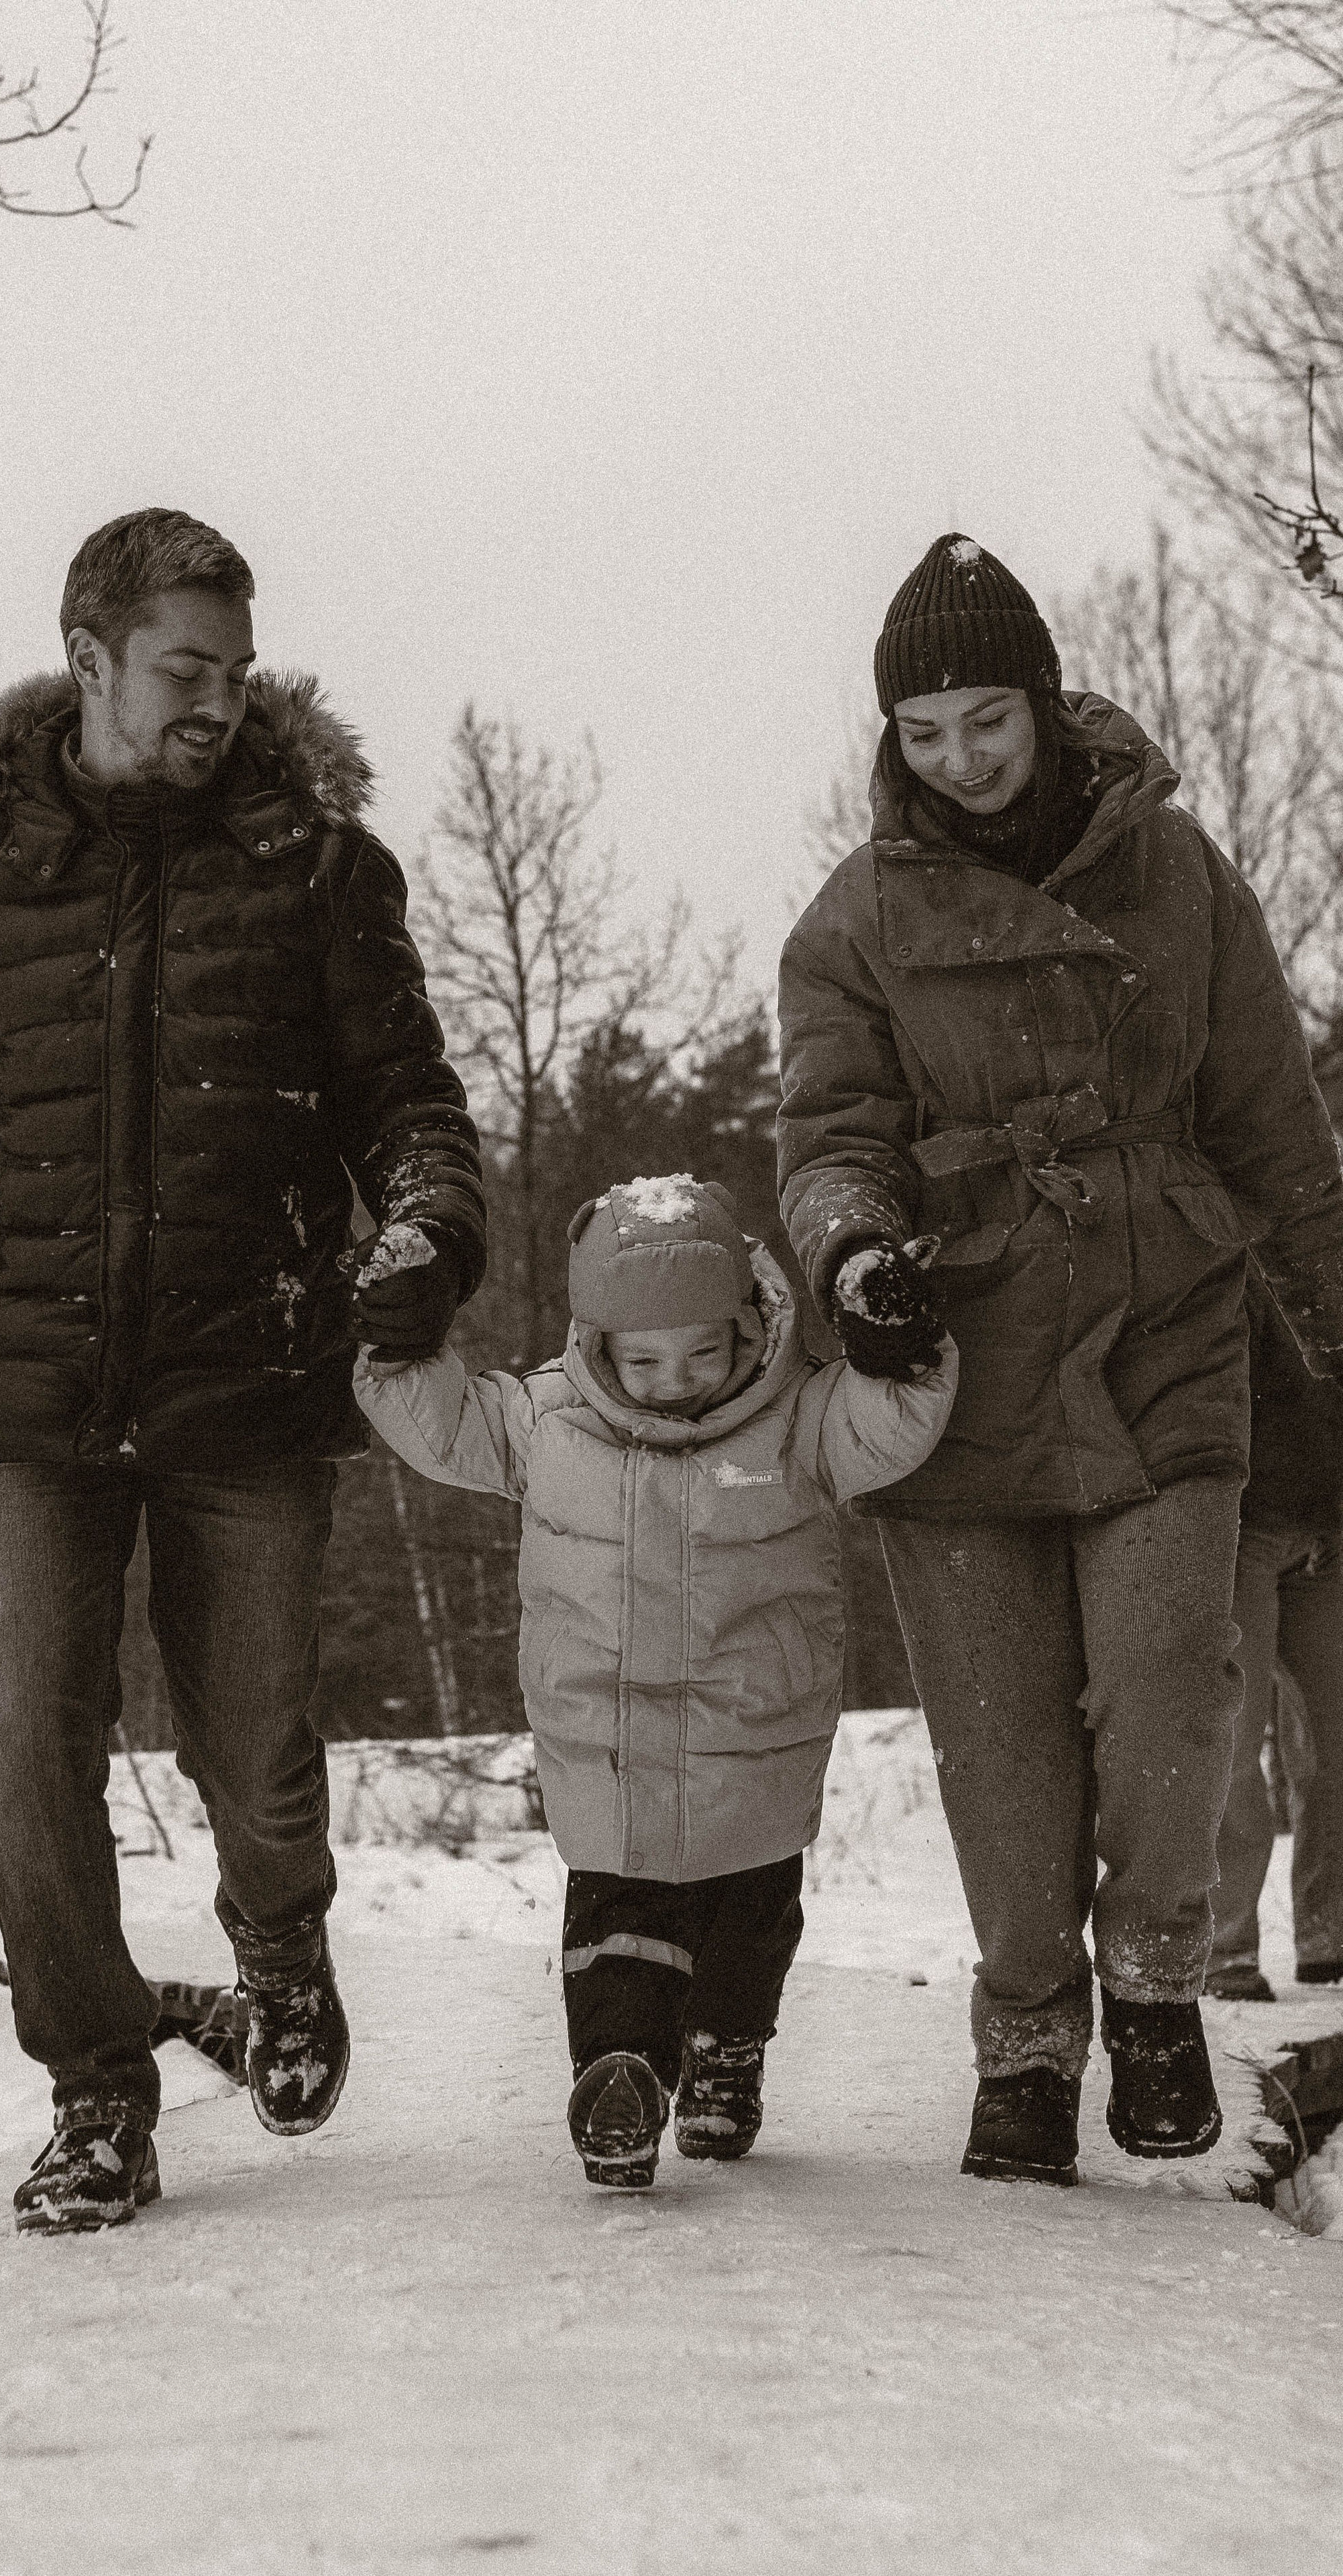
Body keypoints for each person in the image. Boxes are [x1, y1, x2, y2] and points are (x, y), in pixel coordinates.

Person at [0, 508, 486, 2234]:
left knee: (252, 1746)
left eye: (237, 674)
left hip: (248, 1367)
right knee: (27, 1744)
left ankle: (278, 1939)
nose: (215, 703)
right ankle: (99, 2092)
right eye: (185, 670)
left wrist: (423, 1236)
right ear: (90, 654)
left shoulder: (314, 862)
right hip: (36, 1388)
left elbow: (408, 1103)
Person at [776, 531, 1343, 2188]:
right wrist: (854, 1259)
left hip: (1167, 1329)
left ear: (1037, 701)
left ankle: (1155, 1986)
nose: (956, 758)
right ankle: (1026, 2031)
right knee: (1000, 1738)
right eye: (924, 730)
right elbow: (827, 1135)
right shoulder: (854, 919)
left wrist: (1328, 1318)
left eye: (984, 720)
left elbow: (1275, 1135)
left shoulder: (1175, 876)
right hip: (950, 1363)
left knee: (1173, 1696)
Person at [354, 1176, 956, 2188]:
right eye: (642, 1360)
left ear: (748, 1322)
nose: (673, 1381)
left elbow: (889, 1419)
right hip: (609, 1743)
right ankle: (620, 2075)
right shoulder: (547, 1421)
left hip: (755, 1736)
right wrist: (399, 1342)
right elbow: (444, 1421)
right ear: (596, 1342)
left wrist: (903, 1348)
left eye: (702, 1354)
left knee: (747, 1924)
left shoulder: (803, 1418)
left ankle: (725, 2054)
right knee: (616, 1929)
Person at [1207, 1273, 1343, 2000]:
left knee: (1332, 1747)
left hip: (1327, 1531)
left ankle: (1330, 1941)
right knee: (1231, 1751)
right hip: (1239, 1529)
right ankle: (1225, 1954)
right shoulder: (1224, 1248)